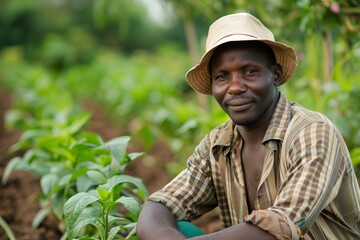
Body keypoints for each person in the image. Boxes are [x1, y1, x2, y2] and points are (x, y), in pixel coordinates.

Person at [136, 12, 360, 240]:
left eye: (249, 72)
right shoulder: (218, 145)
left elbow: (279, 227)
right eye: (222, 76)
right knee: (174, 228)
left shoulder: (312, 132)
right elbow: (161, 204)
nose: (235, 87)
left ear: (275, 75)